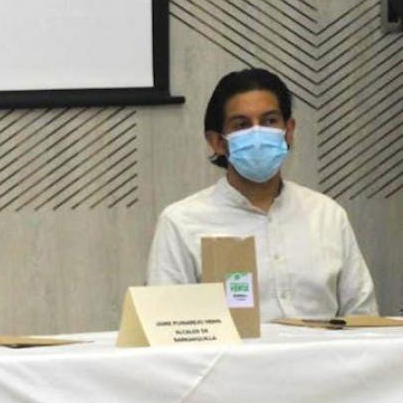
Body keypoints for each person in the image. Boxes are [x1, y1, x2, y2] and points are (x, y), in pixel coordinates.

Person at [146, 68, 377, 320]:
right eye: (241, 124)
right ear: (218, 142)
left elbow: (363, 318)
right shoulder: (181, 222)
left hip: (324, 359)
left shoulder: (327, 215)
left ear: (288, 131)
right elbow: (165, 328)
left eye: (269, 121)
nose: (257, 134)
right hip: (230, 360)